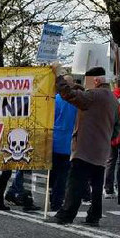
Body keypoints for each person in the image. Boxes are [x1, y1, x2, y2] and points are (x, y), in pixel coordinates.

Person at [46, 66, 120, 227]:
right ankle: (94, 216)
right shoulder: (113, 99)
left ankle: (66, 214)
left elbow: (69, 95)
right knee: (96, 184)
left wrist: (58, 77)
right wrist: (106, 138)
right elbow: (118, 126)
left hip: (85, 147)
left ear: (95, 80)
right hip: (102, 149)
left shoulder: (93, 96)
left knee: (75, 182)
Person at [49, 75, 78, 211]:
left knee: (54, 173)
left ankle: (52, 197)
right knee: (63, 175)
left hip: (55, 140)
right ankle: (57, 201)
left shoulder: (55, 100)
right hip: (68, 143)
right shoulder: (75, 102)